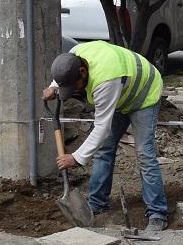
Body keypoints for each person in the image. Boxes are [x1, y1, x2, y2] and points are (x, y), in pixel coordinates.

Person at [43, 40, 168, 233]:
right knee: (104, 149)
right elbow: (64, 74)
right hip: (121, 94)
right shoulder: (75, 54)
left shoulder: (105, 80)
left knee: (144, 153)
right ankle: (98, 204)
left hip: (144, 92)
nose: (75, 91)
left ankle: (157, 214)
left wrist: (75, 158)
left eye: (74, 86)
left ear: (83, 73)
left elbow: (102, 128)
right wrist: (54, 86)